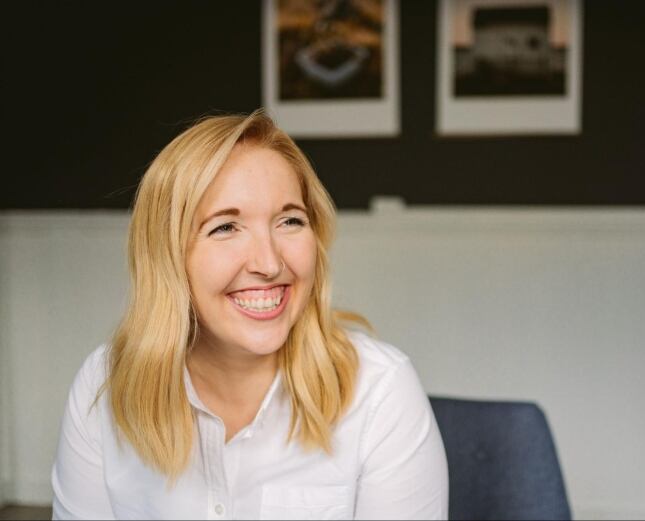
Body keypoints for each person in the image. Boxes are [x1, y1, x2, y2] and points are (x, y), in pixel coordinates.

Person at [51, 110, 449, 520]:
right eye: (225, 227)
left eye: (290, 221)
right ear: (166, 256)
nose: (269, 262)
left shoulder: (379, 390)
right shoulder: (103, 386)